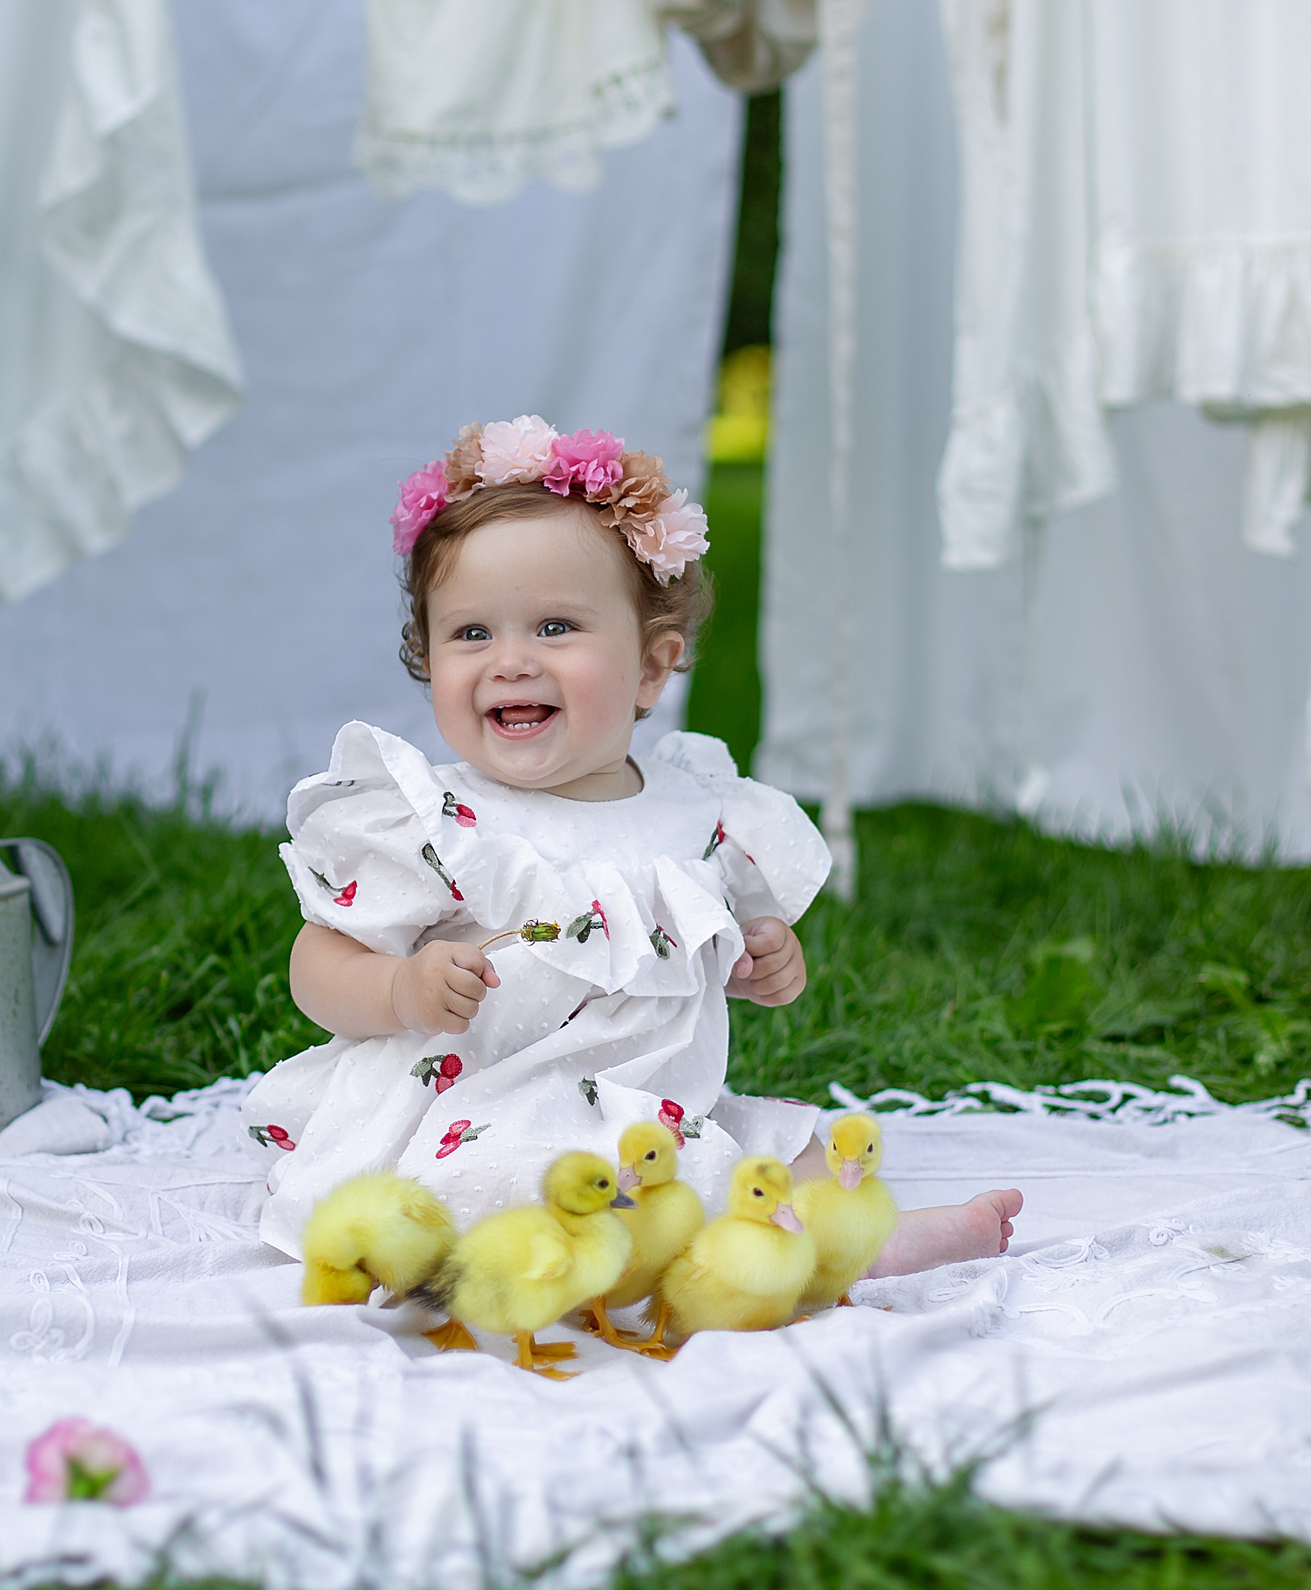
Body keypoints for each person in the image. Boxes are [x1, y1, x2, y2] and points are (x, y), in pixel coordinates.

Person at [240, 415, 1021, 1278]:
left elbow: (706, 947)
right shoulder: (439, 823)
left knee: (766, 1148)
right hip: (484, 1100)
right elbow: (318, 962)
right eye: (471, 633)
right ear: (428, 656)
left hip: (655, 1106)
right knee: (508, 1174)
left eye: (554, 628)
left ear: (652, 667)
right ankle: (721, 1253)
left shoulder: (696, 808)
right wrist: (396, 985)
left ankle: (854, 1237)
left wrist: (765, 963)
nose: (509, 661)